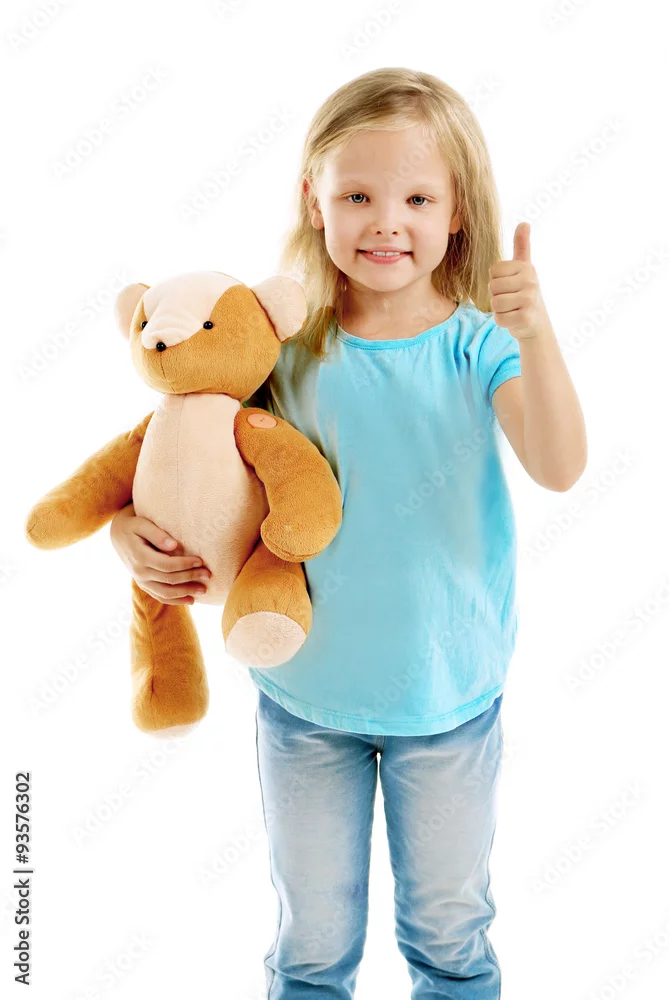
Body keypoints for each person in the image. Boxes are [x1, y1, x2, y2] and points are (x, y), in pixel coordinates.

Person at [110, 67, 587, 998]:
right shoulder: (281, 350)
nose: (385, 222)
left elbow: (559, 464)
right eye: (357, 196)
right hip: (305, 697)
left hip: (447, 698)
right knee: (312, 944)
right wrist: (129, 528)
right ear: (313, 200)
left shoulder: (478, 345)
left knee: (449, 936)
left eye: (417, 199)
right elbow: (179, 459)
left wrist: (536, 334)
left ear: (457, 212)